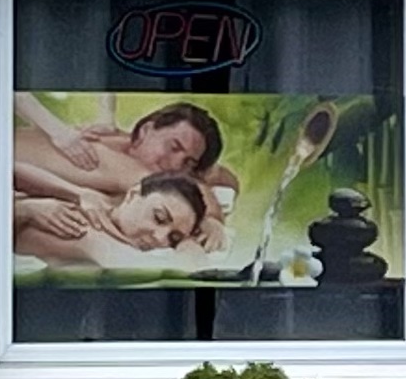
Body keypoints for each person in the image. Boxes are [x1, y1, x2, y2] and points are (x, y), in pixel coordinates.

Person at [15, 94, 239, 224]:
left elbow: (224, 177)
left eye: (188, 162)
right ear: (145, 131)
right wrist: (212, 222)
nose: (174, 165)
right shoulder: (121, 163)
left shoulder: (120, 142)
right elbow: (205, 196)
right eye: (173, 147)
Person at [13, 171, 222, 270]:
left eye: (172, 238)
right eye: (159, 218)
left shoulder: (102, 211)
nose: (160, 238)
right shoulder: (80, 224)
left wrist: (190, 238)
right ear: (132, 195)